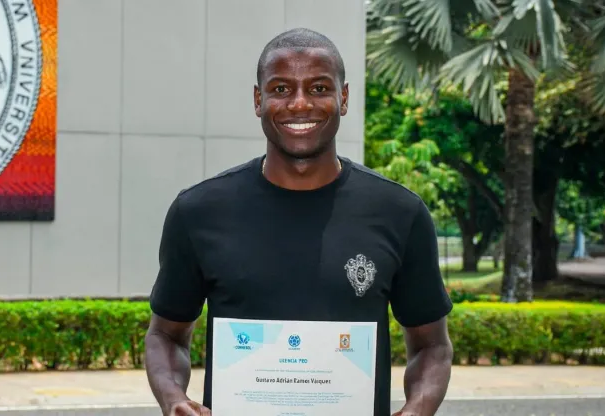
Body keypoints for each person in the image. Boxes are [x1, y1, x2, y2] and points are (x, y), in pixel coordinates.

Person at [145, 28, 454, 416]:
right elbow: (166, 335)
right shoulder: (198, 212)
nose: (300, 104)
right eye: (280, 89)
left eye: (320, 87)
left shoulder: (400, 213)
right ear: (258, 100)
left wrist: (419, 408)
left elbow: (432, 345)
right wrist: (174, 398)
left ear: (344, 97)